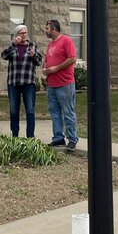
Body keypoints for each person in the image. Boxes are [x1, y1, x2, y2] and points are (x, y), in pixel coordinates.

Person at [1, 24, 42, 138]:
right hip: (13, 82)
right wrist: (14, 44)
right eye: (21, 33)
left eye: (25, 32)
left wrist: (34, 55)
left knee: (30, 109)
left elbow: (39, 61)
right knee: (14, 109)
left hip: (28, 82)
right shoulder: (12, 45)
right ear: (17, 35)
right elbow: (4, 56)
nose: (24, 35)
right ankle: (15, 135)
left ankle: (30, 136)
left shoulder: (32, 45)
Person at [42, 19, 78, 149]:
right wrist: (45, 69)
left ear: (53, 28)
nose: (45, 31)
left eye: (46, 28)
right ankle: (58, 138)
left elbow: (72, 58)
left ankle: (72, 139)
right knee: (54, 112)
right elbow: (46, 60)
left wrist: (56, 68)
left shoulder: (66, 41)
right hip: (51, 84)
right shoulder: (50, 44)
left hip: (65, 83)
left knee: (68, 111)